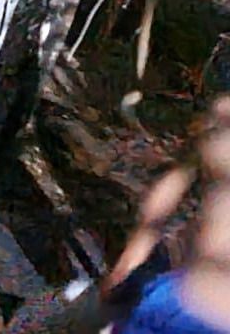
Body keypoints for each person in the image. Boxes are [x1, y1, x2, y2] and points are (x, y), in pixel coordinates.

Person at [96, 91, 230, 333]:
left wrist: (130, 262)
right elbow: (172, 187)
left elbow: (173, 186)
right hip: (185, 298)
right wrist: (130, 261)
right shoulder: (223, 117)